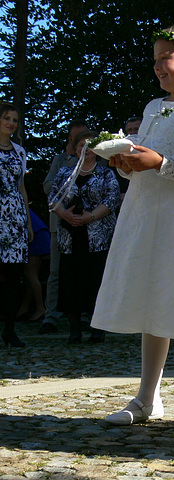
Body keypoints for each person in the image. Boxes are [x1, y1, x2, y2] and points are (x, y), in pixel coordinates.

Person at [91, 24, 174, 425]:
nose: (158, 67)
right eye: (155, 60)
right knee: (153, 298)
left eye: (166, 58)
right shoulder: (152, 107)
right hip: (146, 212)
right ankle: (147, 396)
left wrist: (160, 163)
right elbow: (145, 162)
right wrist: (127, 163)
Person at [49, 130, 120, 343]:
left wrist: (90, 217)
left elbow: (112, 199)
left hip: (98, 238)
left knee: (95, 282)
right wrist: (64, 213)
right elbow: (53, 196)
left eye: (90, 146)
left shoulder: (107, 174)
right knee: (70, 282)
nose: (85, 150)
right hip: (69, 238)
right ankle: (74, 330)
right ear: (75, 148)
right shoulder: (64, 173)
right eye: (81, 146)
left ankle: (97, 329)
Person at [41, 119, 89, 334]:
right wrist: (72, 164)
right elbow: (48, 187)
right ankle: (51, 317)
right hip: (60, 224)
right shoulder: (59, 160)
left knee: (85, 271)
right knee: (56, 271)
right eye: (76, 138)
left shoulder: (98, 161)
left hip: (90, 224)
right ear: (70, 139)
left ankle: (87, 315)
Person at [0, 102, 32, 348]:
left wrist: (29, 223)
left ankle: (9, 330)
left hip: (14, 220)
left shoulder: (20, 152)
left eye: (15, 120)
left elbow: (22, 186)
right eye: (7, 118)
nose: (11, 123)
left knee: (13, 277)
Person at [16, 208, 50, 323]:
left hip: (35, 236)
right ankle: (24, 308)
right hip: (40, 234)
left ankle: (40, 308)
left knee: (30, 274)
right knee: (32, 274)